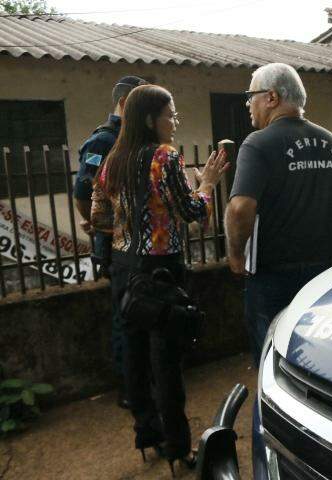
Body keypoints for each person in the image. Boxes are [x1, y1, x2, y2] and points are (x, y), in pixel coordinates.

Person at [91, 84, 228, 474]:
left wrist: (128, 223)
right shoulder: (164, 157)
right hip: (160, 270)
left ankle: (146, 436)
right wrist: (207, 186)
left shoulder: (112, 160)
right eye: (171, 114)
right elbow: (190, 212)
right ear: (152, 119)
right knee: (165, 362)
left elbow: (99, 219)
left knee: (134, 357)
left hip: (123, 267)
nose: (175, 120)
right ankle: (178, 447)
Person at [224, 63, 332, 366]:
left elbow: (240, 207)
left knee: (272, 357)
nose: (248, 104)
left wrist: (235, 254)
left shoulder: (257, 143)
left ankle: (274, 411)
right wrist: (330, 240)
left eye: (251, 95)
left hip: (272, 275)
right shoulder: (331, 142)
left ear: (271, 97)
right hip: (323, 270)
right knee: (316, 356)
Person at [73, 75, 146, 409]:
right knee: (124, 317)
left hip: (139, 246)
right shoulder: (104, 141)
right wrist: (100, 224)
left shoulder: (132, 139)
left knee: (138, 314)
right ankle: (130, 389)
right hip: (116, 248)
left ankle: (142, 381)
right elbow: (82, 192)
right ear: (123, 103)